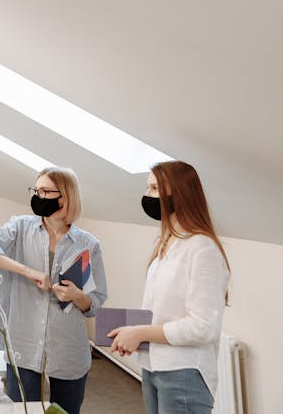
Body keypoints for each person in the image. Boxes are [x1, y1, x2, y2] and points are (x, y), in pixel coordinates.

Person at [0, 167, 107, 414]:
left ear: (64, 197)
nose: (37, 196)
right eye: (36, 190)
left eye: (45, 191)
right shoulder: (20, 228)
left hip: (68, 349)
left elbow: (94, 303)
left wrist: (76, 295)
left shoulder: (88, 244)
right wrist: (27, 271)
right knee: (21, 411)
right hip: (23, 344)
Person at [108, 161, 230, 414]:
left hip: (183, 373)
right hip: (154, 367)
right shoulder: (167, 242)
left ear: (180, 194)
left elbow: (203, 327)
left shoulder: (201, 248)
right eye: (147, 187)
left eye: (154, 188)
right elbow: (163, 310)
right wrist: (132, 333)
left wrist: (140, 332)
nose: (147, 195)